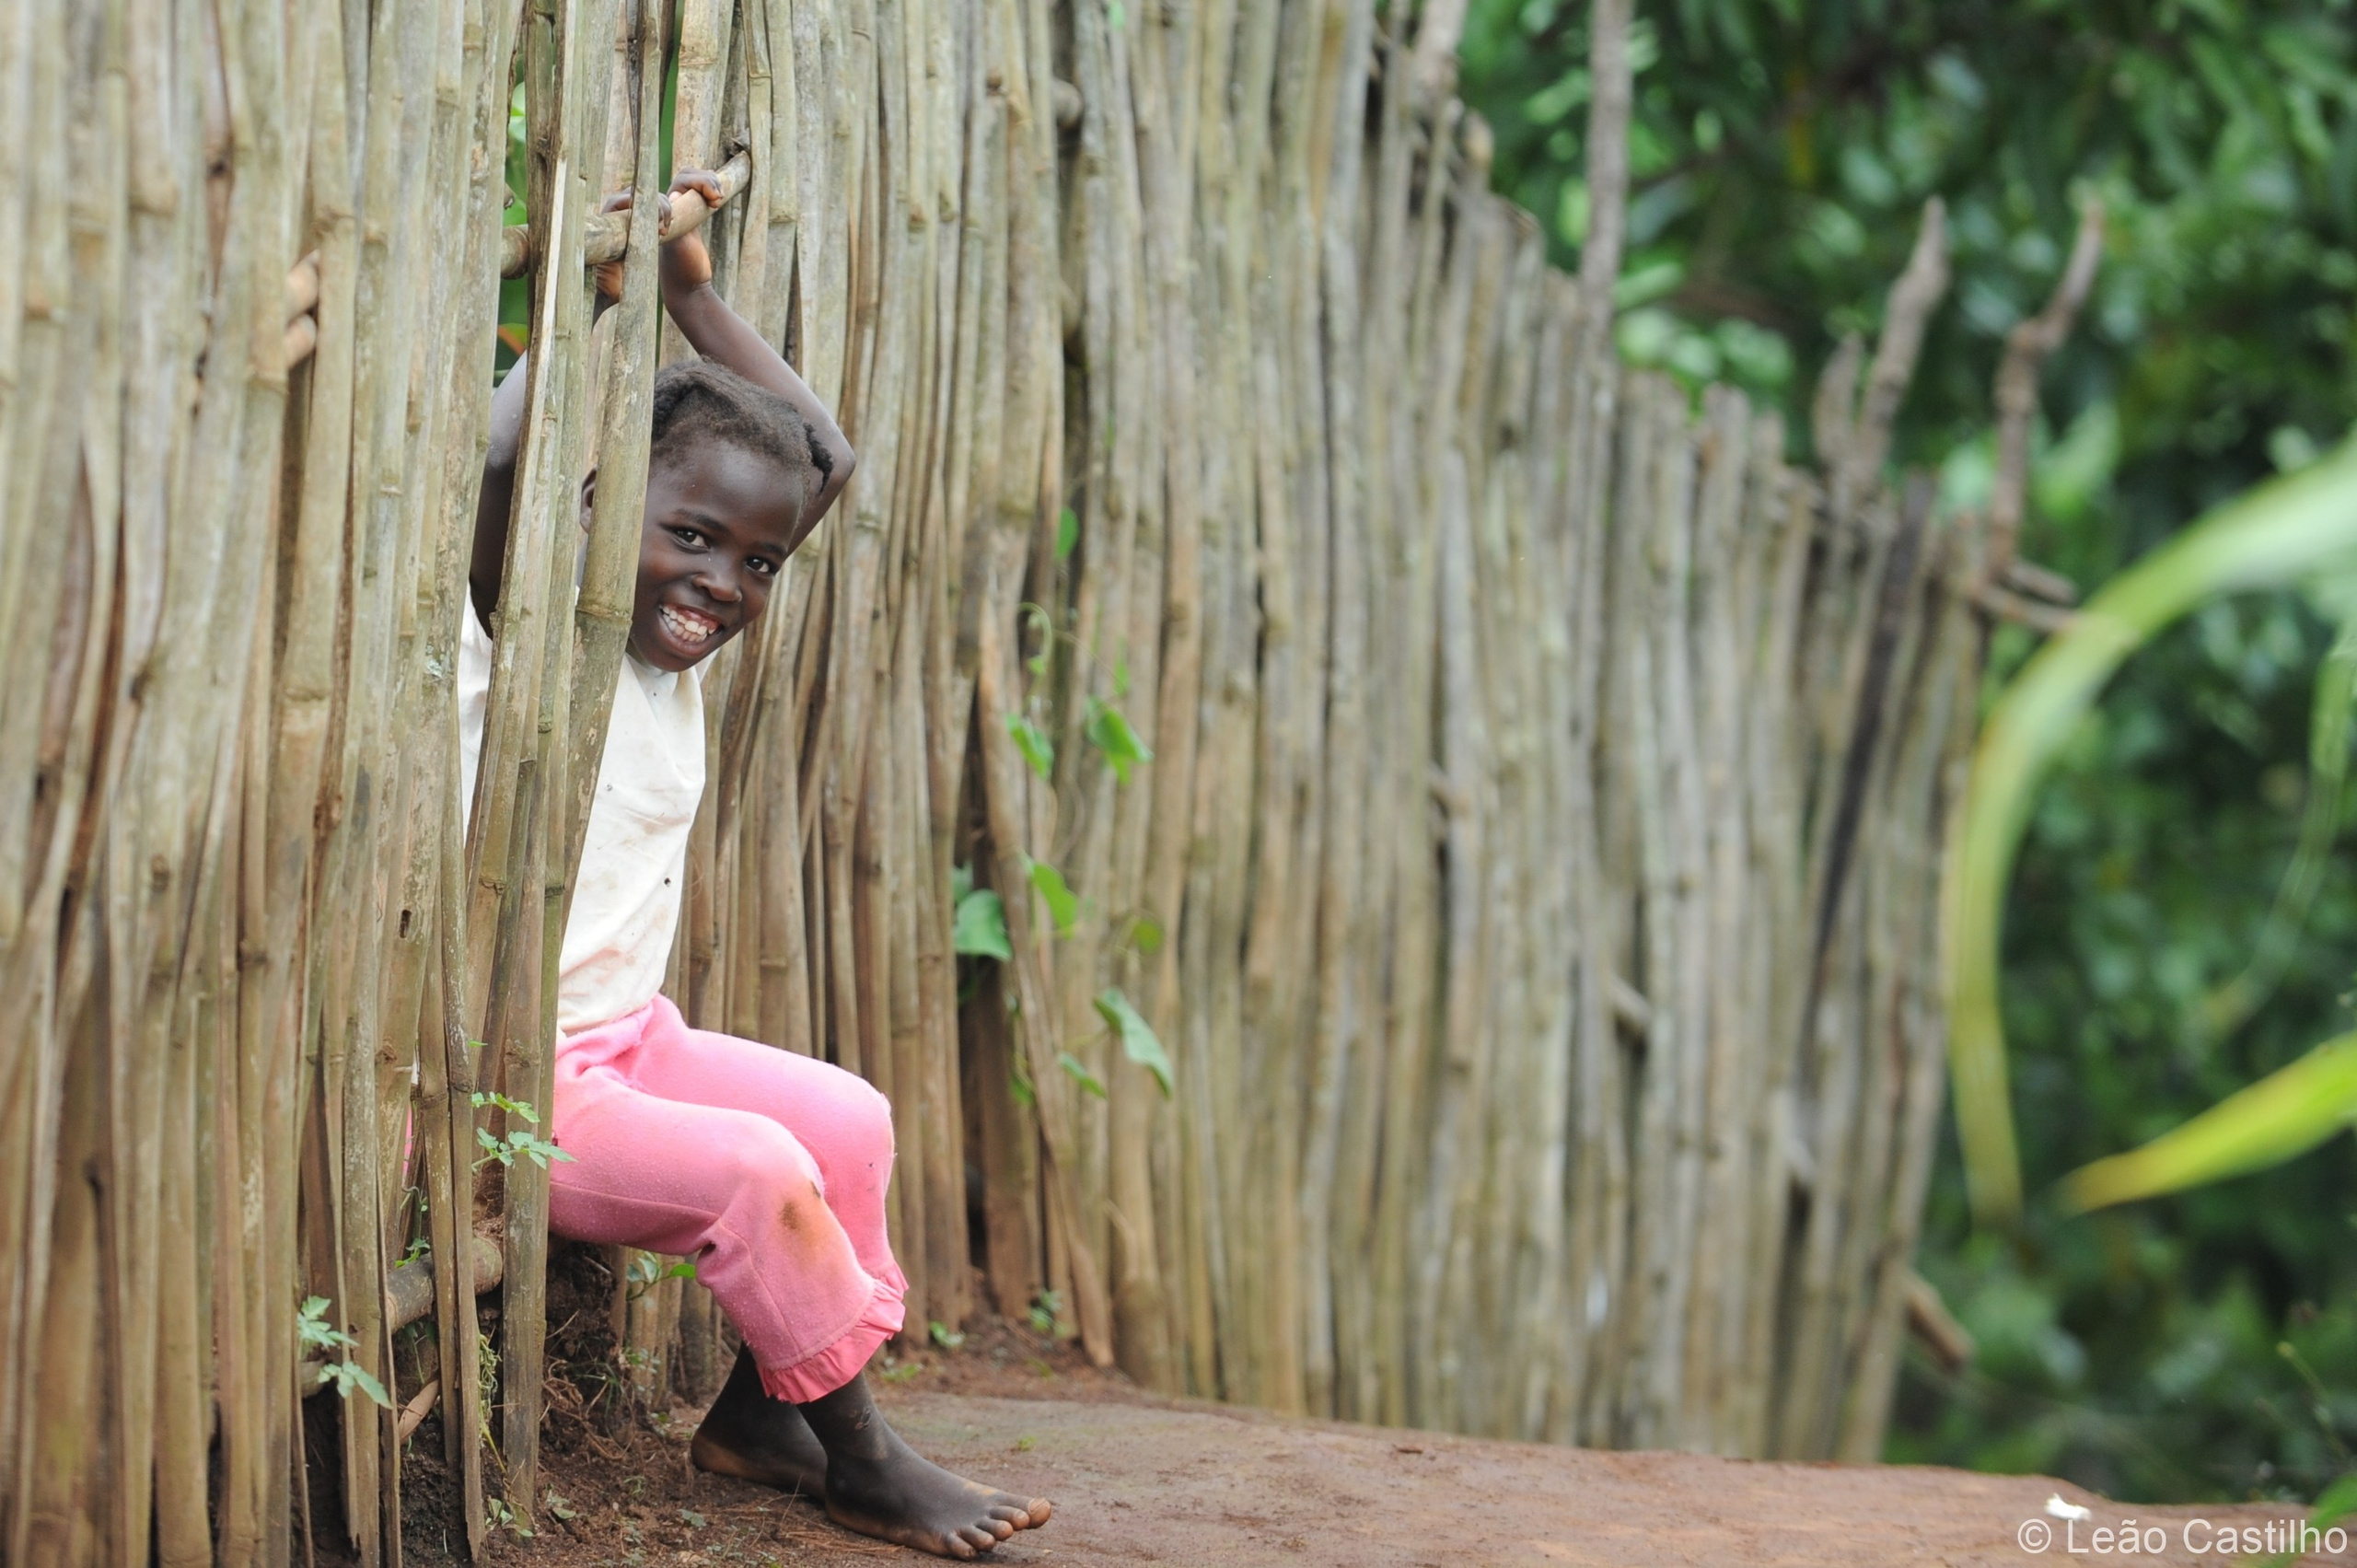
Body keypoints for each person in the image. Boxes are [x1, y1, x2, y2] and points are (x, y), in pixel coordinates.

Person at [464, 169, 1051, 1561]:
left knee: (844, 1121)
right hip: (498, 1073)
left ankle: (759, 1421)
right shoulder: (527, 639)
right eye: (689, 536)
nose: (722, 582)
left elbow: (822, 461)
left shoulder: (674, 663)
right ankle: (865, 1462)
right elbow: (495, 465)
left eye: (755, 563)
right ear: (602, 509)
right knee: (754, 1170)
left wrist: (688, 291)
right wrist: (584, 307)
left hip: (623, 1040)